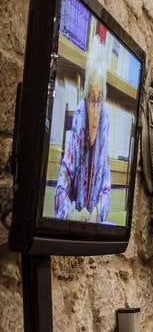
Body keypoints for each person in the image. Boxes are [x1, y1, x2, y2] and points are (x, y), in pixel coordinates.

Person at [54, 37, 113, 222]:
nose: (94, 113)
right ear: (85, 99)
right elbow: (61, 189)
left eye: (99, 100)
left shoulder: (104, 132)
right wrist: (72, 215)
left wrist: (94, 214)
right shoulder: (77, 131)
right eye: (91, 98)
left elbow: (106, 192)